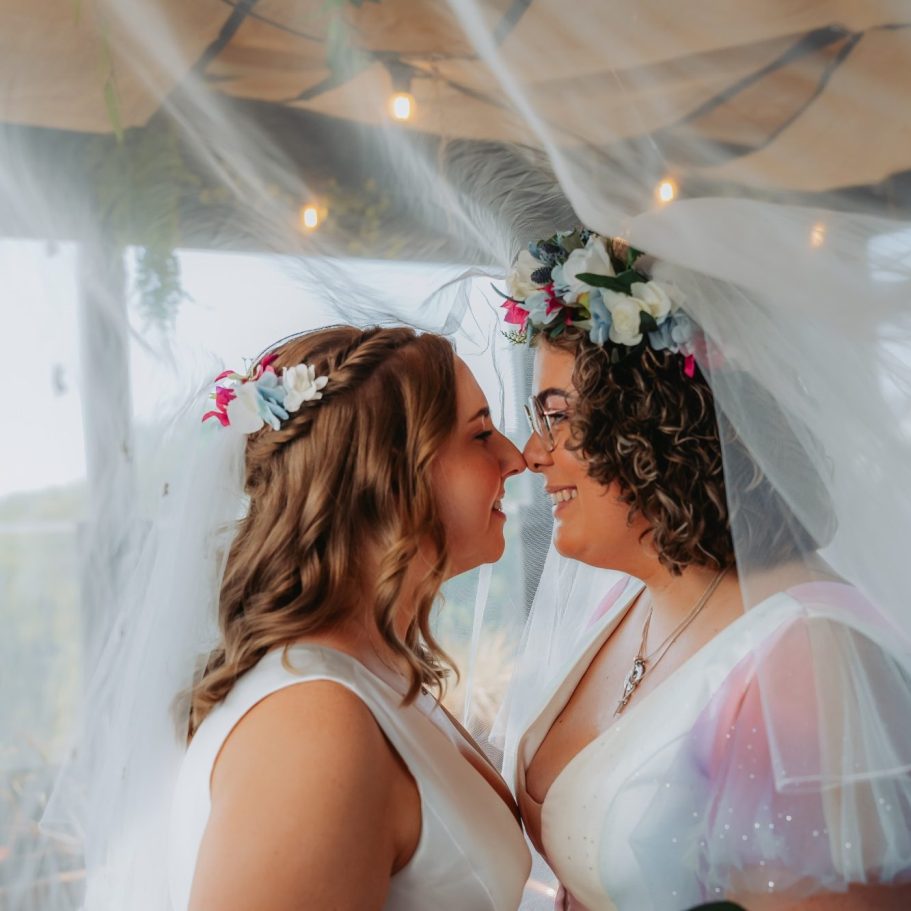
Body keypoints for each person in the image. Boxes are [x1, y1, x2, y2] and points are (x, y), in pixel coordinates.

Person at [497, 229, 911, 910]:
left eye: (557, 417)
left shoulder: (809, 659)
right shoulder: (628, 603)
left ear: (653, 423)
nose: (531, 454)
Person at [61, 325, 532, 911]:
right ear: (384, 479)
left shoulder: (368, 677)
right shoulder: (313, 726)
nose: (517, 457)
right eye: (481, 434)